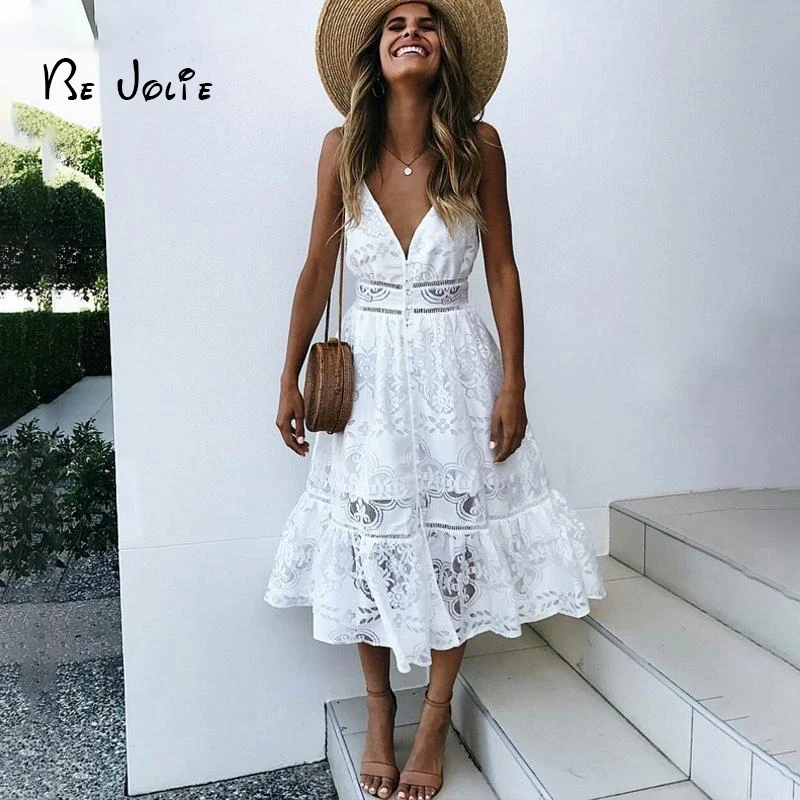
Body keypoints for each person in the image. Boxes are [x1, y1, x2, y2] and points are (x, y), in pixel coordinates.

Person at [265, 1, 607, 797]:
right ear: (375, 51)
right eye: (395, 24)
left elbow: (503, 269)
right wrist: (287, 374)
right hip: (368, 377)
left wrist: (515, 381)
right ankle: (379, 708)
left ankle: (434, 716)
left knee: (456, 541)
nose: (410, 30)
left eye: (426, 22)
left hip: (457, 367)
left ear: (445, 48)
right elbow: (316, 269)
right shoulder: (341, 148)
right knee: (367, 535)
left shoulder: (480, 145)